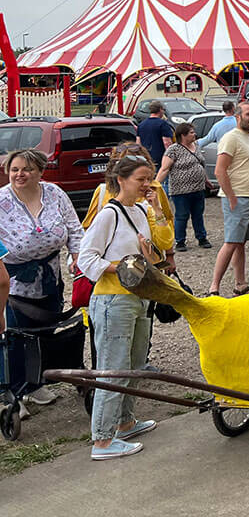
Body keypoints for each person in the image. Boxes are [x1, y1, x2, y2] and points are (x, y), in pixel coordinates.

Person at [77, 154, 173, 460]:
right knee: (114, 369)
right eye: (140, 179)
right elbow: (86, 258)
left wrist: (156, 207)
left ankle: (125, 422)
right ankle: (102, 440)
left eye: (149, 179)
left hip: (139, 297)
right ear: (121, 180)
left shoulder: (142, 210)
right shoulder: (109, 214)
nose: (146, 185)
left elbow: (164, 242)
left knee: (133, 365)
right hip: (113, 300)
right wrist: (123, 267)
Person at [0, 150, 85, 409]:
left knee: (45, 330)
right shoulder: (1, 200)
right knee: (14, 336)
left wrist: (77, 255)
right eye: (14, 169)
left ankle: (35, 384)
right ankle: (12, 392)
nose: (19, 174)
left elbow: (74, 227)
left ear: (40, 171)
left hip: (49, 274)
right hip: (13, 279)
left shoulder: (55, 193)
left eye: (26, 169)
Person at [209, 102, 249, 297]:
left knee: (241, 242)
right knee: (231, 241)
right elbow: (220, 170)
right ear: (238, 116)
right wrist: (231, 197)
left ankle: (240, 283)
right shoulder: (230, 138)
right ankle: (214, 287)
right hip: (237, 197)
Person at [83, 143, 174, 234]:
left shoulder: (155, 189)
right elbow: (88, 227)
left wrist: (158, 211)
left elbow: (168, 221)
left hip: (150, 246)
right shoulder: (103, 191)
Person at [156, 122, 210, 251]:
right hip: (180, 191)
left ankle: (202, 238)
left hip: (198, 189)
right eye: (191, 132)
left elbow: (200, 164)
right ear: (183, 135)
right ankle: (180, 241)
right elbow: (164, 169)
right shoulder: (173, 150)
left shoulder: (196, 146)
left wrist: (206, 180)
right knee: (182, 215)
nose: (194, 134)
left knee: (198, 214)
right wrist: (156, 185)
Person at [135, 101, 173, 172]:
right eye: (163, 110)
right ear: (160, 109)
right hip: (160, 159)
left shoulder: (141, 125)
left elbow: (138, 144)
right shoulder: (163, 124)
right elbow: (167, 143)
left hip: (147, 159)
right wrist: (171, 159)